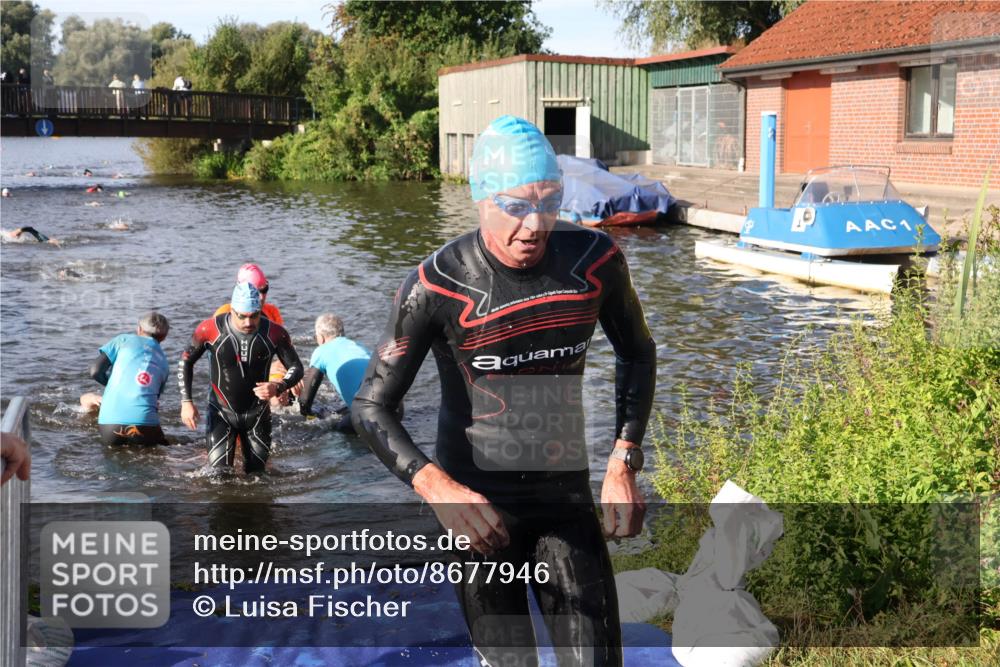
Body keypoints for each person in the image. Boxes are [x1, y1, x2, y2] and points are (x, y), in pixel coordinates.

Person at [352, 115, 656, 666]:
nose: (536, 224)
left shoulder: (595, 261)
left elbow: (637, 351)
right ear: (480, 198)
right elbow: (372, 405)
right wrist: (437, 490)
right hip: (478, 509)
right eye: (517, 206)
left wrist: (623, 459)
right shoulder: (435, 284)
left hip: (563, 498)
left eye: (550, 201)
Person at [180, 283, 303, 474]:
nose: (248, 322)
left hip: (258, 415)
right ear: (233, 310)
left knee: (257, 477)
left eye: (254, 315)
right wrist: (187, 402)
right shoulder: (210, 330)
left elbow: (297, 367)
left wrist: (278, 386)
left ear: (260, 310)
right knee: (218, 477)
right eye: (242, 316)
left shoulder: (275, 333)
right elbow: (186, 361)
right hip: (221, 412)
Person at [79, 312, 171, 446]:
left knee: (87, 398)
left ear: (139, 329)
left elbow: (95, 371)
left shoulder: (123, 340)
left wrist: (112, 386)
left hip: (109, 426)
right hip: (146, 427)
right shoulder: (164, 362)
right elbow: (154, 401)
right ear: (164, 337)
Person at [213, 263, 294, 407]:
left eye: (265, 290)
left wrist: (284, 380)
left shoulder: (272, 312)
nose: (261, 297)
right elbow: (224, 360)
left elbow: (285, 353)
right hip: (234, 376)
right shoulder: (224, 314)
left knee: (282, 398)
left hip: (264, 370)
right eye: (256, 291)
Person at [298, 314, 372, 432]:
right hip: (394, 406)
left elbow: (305, 399)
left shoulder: (321, 351)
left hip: (369, 414)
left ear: (321, 337)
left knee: (335, 427)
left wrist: (308, 415)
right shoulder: (359, 346)